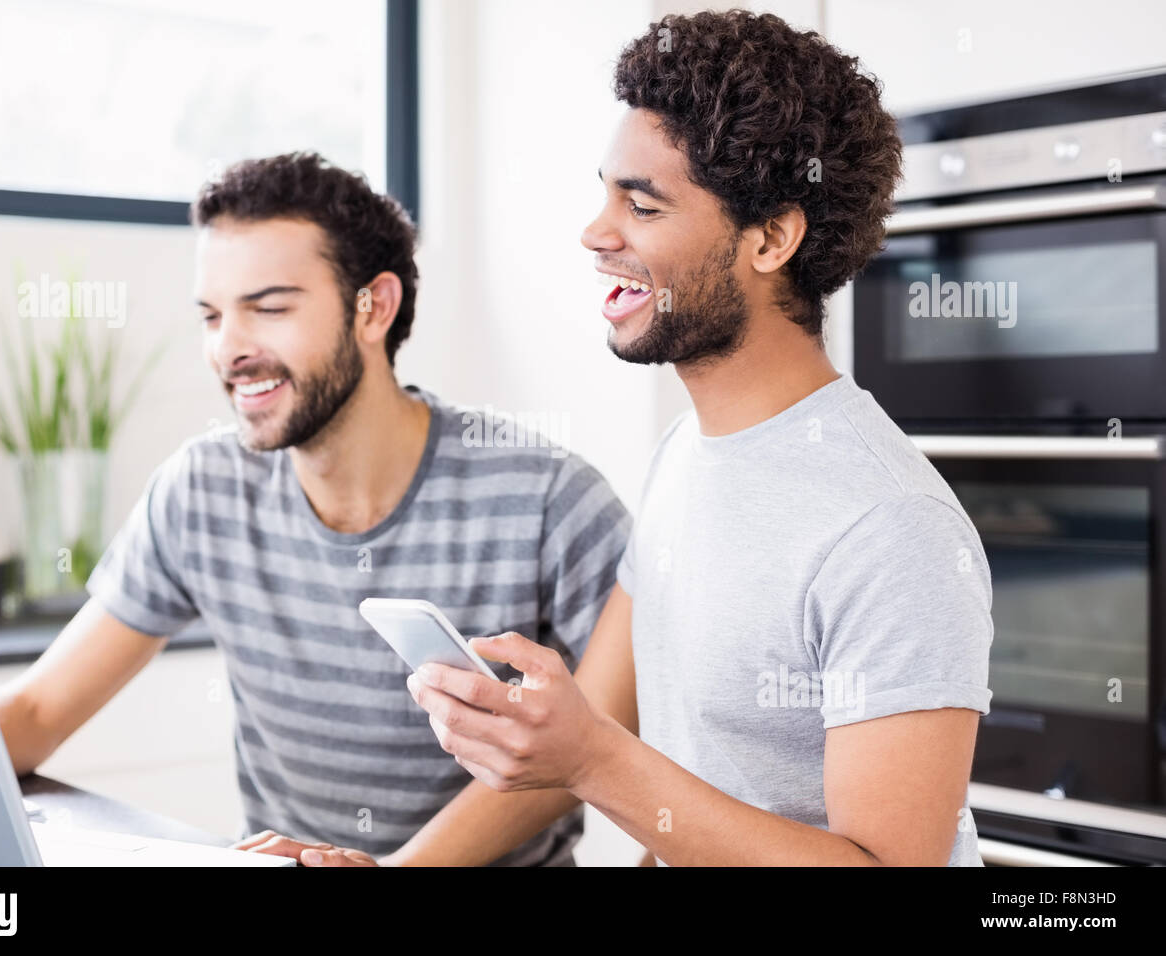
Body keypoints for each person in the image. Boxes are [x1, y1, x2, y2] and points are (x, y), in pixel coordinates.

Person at [259, 9, 993, 867]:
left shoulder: (890, 527)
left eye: (641, 204)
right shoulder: (689, 454)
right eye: (606, 191)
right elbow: (619, 738)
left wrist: (594, 759)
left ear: (771, 238)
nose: (595, 232)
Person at [0, 152, 631, 867]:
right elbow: (38, 711)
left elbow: (608, 737)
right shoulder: (201, 492)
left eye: (268, 308)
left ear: (374, 307)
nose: (228, 348)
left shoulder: (548, 500)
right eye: (212, 315)